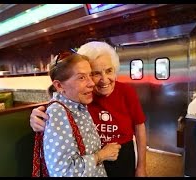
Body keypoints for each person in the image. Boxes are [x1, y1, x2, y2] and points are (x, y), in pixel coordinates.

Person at [30, 41, 147, 177]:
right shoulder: (83, 96)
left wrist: (141, 167)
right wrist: (37, 117)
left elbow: (139, 127)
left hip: (122, 155)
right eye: (96, 73)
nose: (104, 80)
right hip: (92, 159)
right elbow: (59, 103)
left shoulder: (126, 91)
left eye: (109, 70)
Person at [39, 52, 121, 177]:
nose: (92, 83)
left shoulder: (78, 105)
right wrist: (101, 155)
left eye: (90, 75)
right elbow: (63, 172)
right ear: (59, 85)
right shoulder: (58, 113)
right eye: (81, 77)